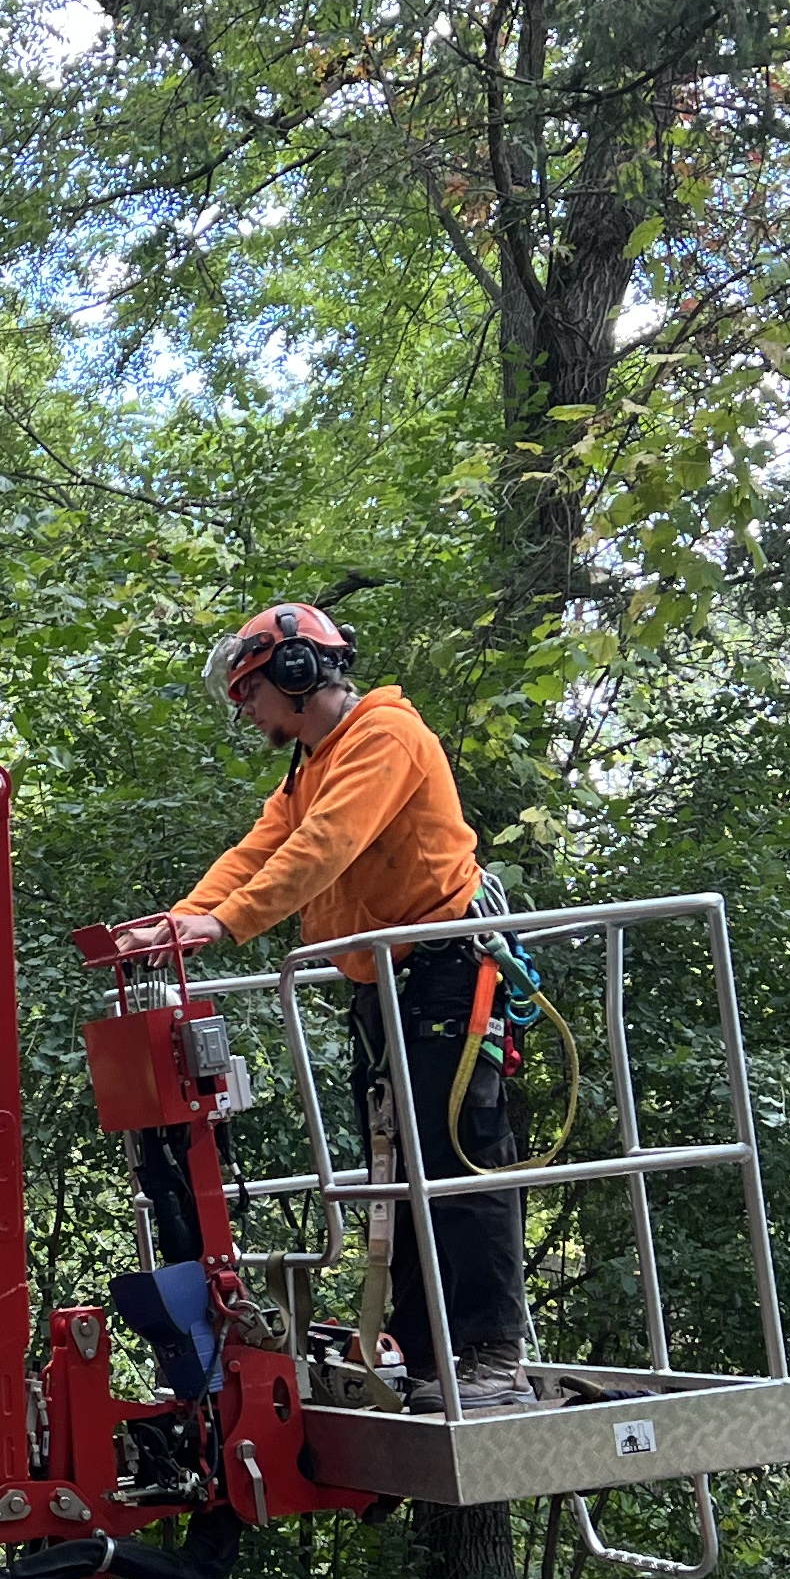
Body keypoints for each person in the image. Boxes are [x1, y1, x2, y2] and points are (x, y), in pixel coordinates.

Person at [126, 601, 532, 1412]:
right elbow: (261, 847)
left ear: (296, 674)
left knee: (460, 1161)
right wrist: (178, 923)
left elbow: (327, 846)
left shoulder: (384, 738)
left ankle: (491, 1356)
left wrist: (231, 922)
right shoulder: (311, 765)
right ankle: (425, 1353)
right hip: (385, 985)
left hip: (447, 974)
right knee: (402, 1172)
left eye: (250, 695)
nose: (246, 713)